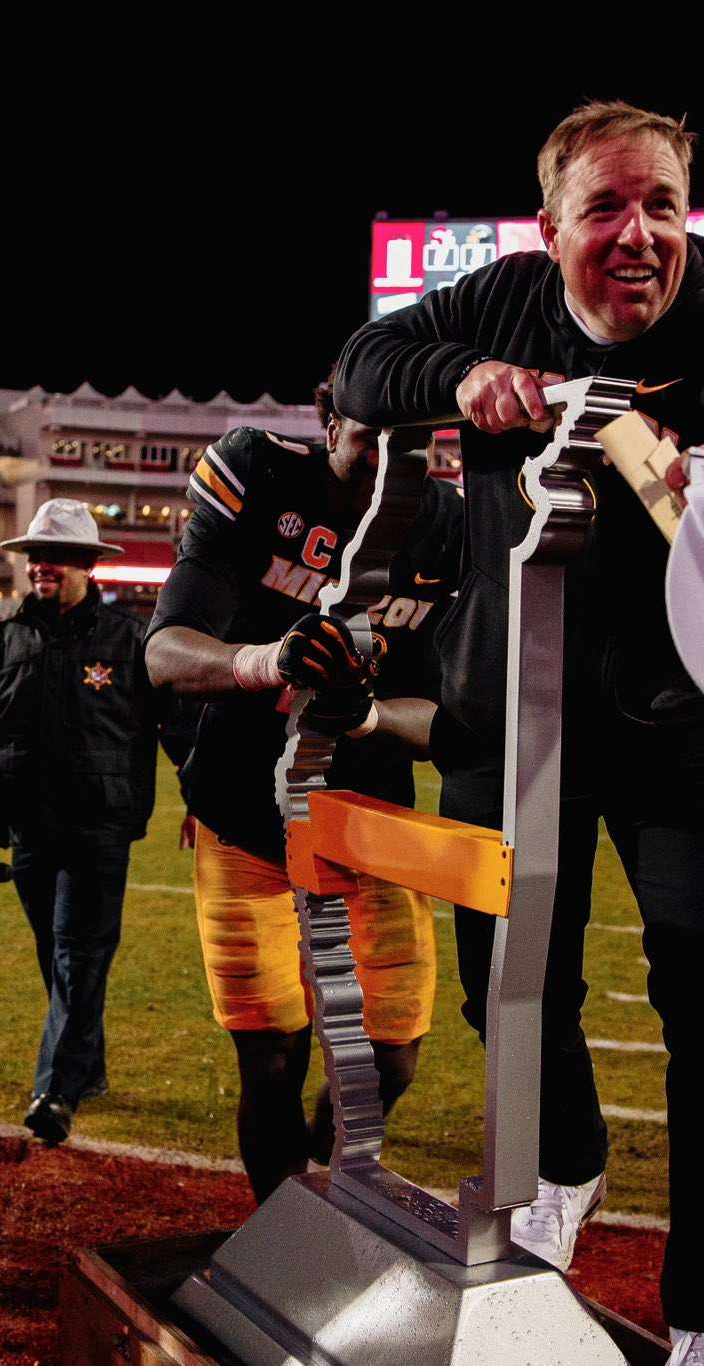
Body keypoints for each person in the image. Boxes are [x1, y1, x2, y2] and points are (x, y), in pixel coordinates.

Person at [335, 100, 704, 1363]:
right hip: (507, 706)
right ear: (550, 224)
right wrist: (458, 379)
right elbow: (356, 368)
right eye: (606, 208)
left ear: (688, 217)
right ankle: (566, 1160)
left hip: (683, 726)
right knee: (503, 985)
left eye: (661, 206)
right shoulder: (501, 298)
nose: (636, 235)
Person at [143, 377, 456, 1202]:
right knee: (272, 1051)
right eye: (374, 439)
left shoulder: (449, 523)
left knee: (392, 1053)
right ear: (326, 416)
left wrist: (372, 718)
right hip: (245, 812)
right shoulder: (261, 475)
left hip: (369, 820)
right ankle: (279, 1235)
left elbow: (450, 721)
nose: (393, 464)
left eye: (413, 444)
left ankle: (317, 1169)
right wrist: (266, 660)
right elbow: (166, 653)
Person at [0, 499, 161, 1145]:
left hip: (100, 825)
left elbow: (174, 724)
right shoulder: (2, 640)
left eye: (57, 555)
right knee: (57, 953)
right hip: (29, 826)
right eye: (36, 554)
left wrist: (202, 800)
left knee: (78, 952)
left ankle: (56, 1091)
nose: (42, 565)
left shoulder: (129, 641)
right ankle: (85, 1067)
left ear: (89, 566)